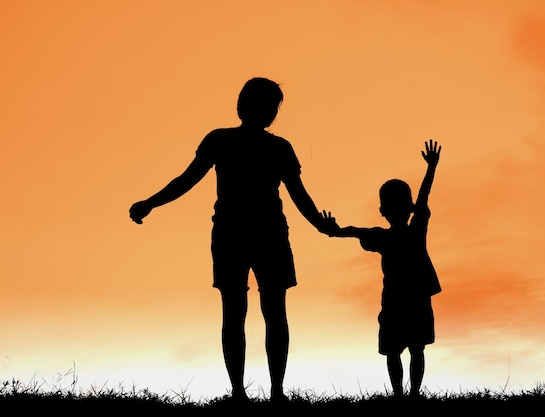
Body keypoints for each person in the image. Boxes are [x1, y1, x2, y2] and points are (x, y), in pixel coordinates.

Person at [129, 77, 331, 402]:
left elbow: (298, 194)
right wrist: (151, 202)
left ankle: (270, 391)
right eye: (264, 105)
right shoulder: (226, 142)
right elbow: (187, 179)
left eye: (271, 106)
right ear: (245, 107)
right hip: (236, 235)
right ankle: (245, 392)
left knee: (264, 312)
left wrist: (321, 224)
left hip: (260, 234)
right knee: (242, 312)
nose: (267, 112)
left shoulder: (275, 147)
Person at [321, 139, 442, 398]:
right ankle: (409, 395)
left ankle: (403, 394)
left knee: (397, 349)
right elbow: (355, 231)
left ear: (382, 210)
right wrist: (431, 168)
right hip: (411, 299)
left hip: (399, 300)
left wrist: (334, 231)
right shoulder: (412, 231)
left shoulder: (388, 236)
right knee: (411, 348)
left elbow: (354, 231)